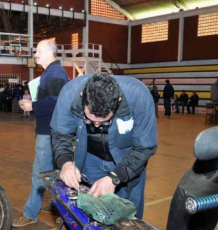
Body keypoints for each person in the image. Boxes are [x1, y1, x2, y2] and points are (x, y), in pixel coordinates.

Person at [51, 73, 157, 219]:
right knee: (91, 213)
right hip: (91, 159)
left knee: (130, 216)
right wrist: (66, 162)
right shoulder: (69, 94)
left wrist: (115, 177)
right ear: (82, 96)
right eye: (91, 119)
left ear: (118, 101)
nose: (96, 125)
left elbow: (145, 147)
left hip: (129, 161)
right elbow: (60, 134)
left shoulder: (139, 96)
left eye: (104, 121)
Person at [12, 39, 69, 227]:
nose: (35, 55)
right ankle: (56, 206)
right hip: (50, 130)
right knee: (55, 173)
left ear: (49, 52)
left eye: (38, 51)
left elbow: (56, 102)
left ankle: (30, 212)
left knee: (39, 173)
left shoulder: (55, 73)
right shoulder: (50, 73)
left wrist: (32, 105)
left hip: (49, 132)